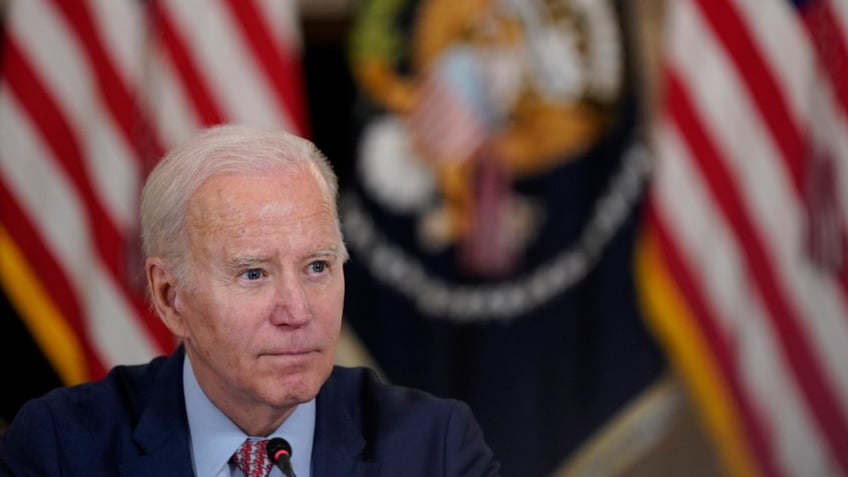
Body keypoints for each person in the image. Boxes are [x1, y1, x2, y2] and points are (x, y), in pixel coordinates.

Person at [0, 124, 500, 476]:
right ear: (171, 297)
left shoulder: (434, 449)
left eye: (318, 267)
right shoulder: (62, 448)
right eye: (254, 273)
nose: (298, 311)